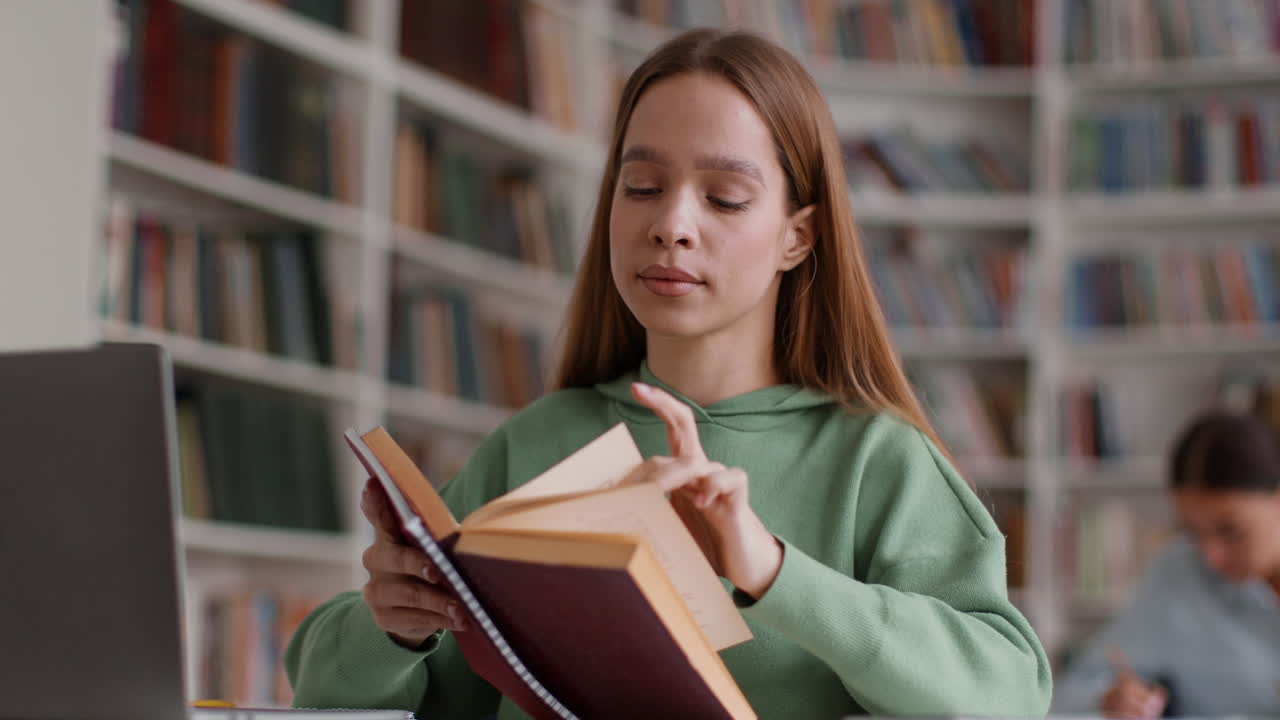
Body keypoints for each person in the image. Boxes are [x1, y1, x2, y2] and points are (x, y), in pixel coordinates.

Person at [284, 28, 1051, 719]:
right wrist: (389, 626)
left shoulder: (877, 460)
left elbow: (1007, 695)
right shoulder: (533, 443)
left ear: (797, 237)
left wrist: (773, 571)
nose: (671, 224)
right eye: (642, 186)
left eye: (724, 197)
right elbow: (344, 693)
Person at [1052, 411, 1280, 718]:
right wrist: (1110, 701)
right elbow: (1073, 692)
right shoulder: (1176, 576)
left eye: (1231, 531)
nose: (1211, 556)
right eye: (1193, 532)